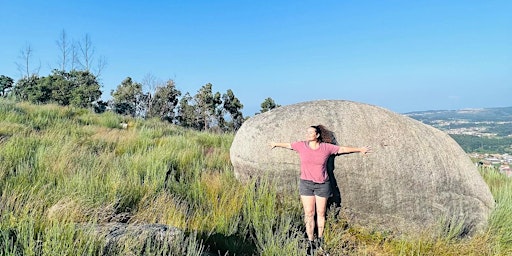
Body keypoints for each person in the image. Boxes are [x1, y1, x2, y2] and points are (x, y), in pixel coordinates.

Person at [270, 125, 371, 255]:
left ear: (317, 135)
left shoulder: (326, 147)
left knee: (321, 213)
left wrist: (360, 149)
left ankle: (320, 241)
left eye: (310, 132)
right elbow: (289, 145)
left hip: (322, 184)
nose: (307, 134)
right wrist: (275, 144)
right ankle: (311, 243)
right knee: (309, 213)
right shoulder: (301, 145)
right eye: (307, 132)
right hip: (306, 184)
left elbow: (342, 149)